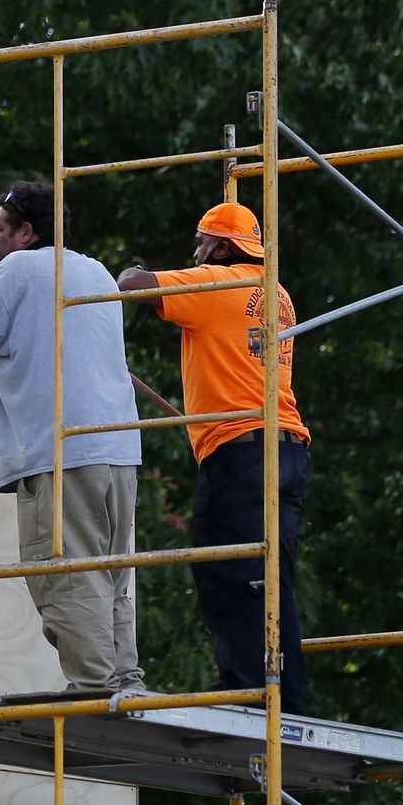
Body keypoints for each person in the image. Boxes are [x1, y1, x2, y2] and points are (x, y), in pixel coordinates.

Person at [0, 181, 145, 692]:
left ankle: (95, 689)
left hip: (60, 453)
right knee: (110, 573)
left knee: (66, 576)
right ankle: (125, 680)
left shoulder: (16, 269)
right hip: (118, 450)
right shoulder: (95, 271)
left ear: (26, 232)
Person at [118, 202, 311, 712]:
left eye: (202, 242)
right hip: (286, 447)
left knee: (229, 575)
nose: (196, 252)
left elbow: (131, 286)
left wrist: (137, 266)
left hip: (241, 454)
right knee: (272, 581)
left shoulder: (215, 282)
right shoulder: (277, 293)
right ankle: (284, 699)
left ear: (222, 248)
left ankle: (249, 695)